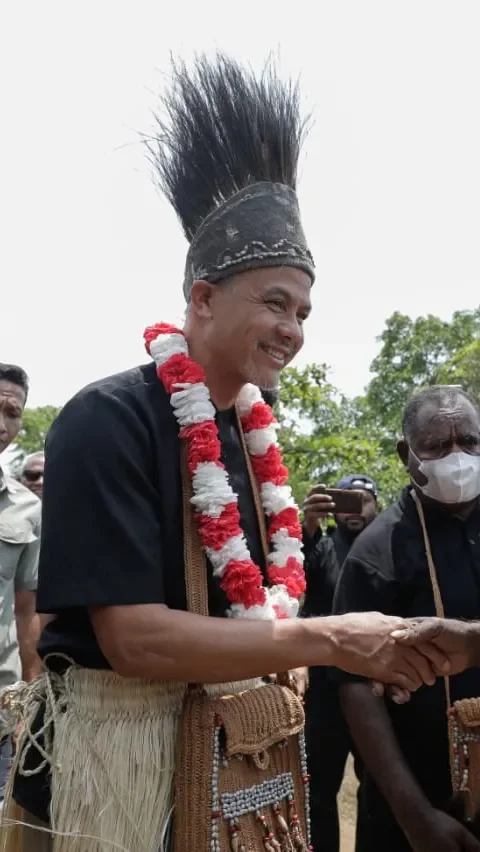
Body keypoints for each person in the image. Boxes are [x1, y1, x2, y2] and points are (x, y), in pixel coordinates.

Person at [1, 57, 446, 851]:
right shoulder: (106, 418)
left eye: (304, 309)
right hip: (122, 778)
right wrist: (333, 637)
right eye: (275, 301)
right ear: (202, 298)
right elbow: (137, 641)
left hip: (237, 765)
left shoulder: (251, 431)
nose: (294, 329)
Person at [333, 385, 480, 852]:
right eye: (437, 447)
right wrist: (413, 813)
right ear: (406, 454)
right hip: (422, 808)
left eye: (470, 442)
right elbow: (355, 686)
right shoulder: (377, 554)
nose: (457, 458)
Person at [302, 474, 378, 852]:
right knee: (319, 789)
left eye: (364, 500)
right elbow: (293, 578)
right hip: (325, 692)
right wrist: (308, 526)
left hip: (375, 689)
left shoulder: (387, 549)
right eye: (348, 500)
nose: (356, 508)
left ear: (377, 507)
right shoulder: (324, 548)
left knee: (376, 790)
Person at [0, 364, 42, 803]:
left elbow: (26, 610)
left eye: (12, 413)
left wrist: (29, 705)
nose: (2, 424)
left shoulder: (28, 509)